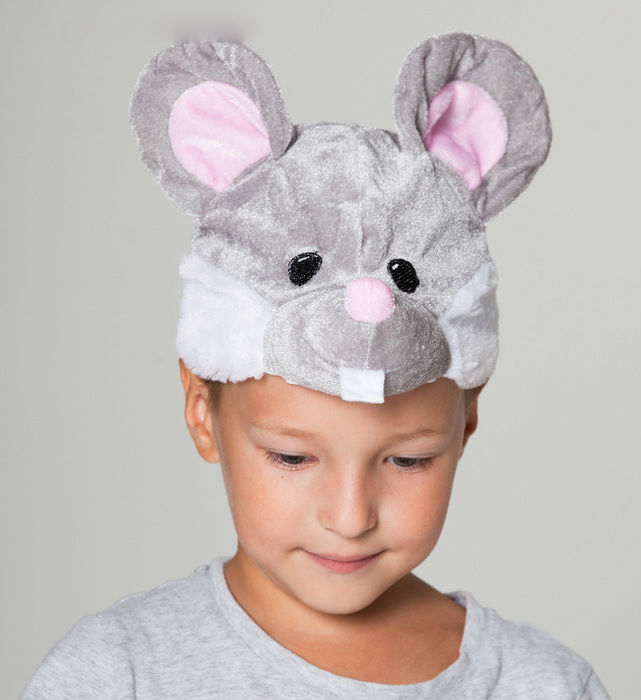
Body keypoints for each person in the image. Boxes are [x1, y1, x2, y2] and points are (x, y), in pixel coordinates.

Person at [21, 31, 610, 699]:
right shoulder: (117, 672)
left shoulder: (543, 684)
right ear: (202, 412)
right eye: (292, 457)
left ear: (465, 423)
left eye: (408, 460)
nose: (350, 517)